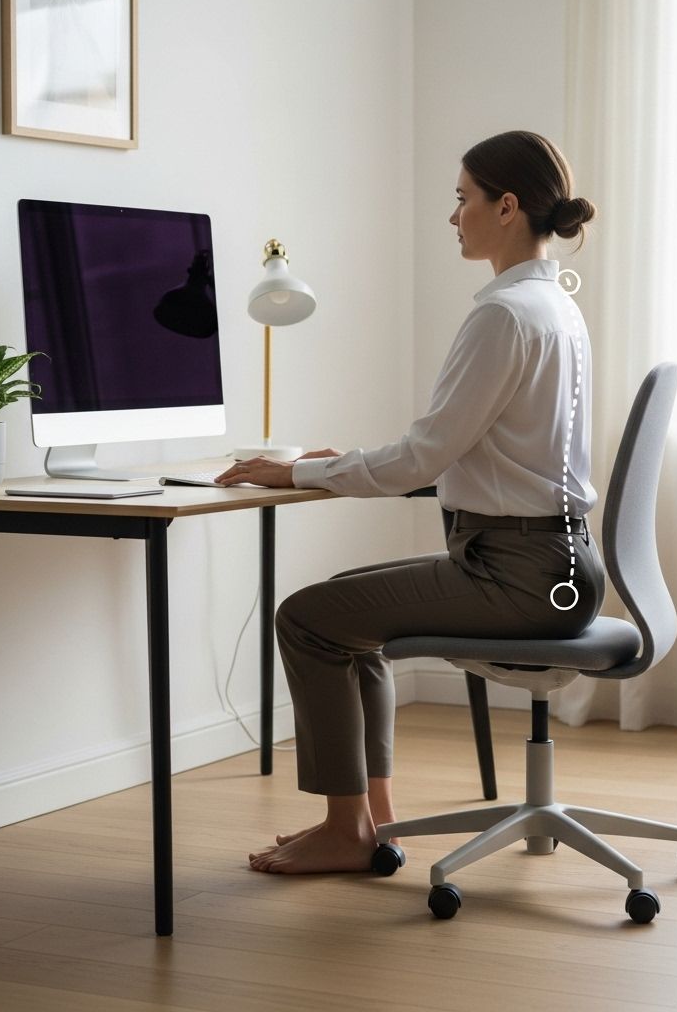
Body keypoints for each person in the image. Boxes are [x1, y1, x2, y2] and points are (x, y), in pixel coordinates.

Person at [215, 130, 606, 874]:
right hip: (560, 563)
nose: (453, 216)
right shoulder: (555, 306)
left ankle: (345, 829)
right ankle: (373, 819)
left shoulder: (504, 314)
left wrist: (297, 473)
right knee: (342, 611)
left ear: (507, 207)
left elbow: (422, 456)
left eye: (463, 199)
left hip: (518, 574)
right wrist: (339, 465)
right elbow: (480, 452)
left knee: (307, 619)